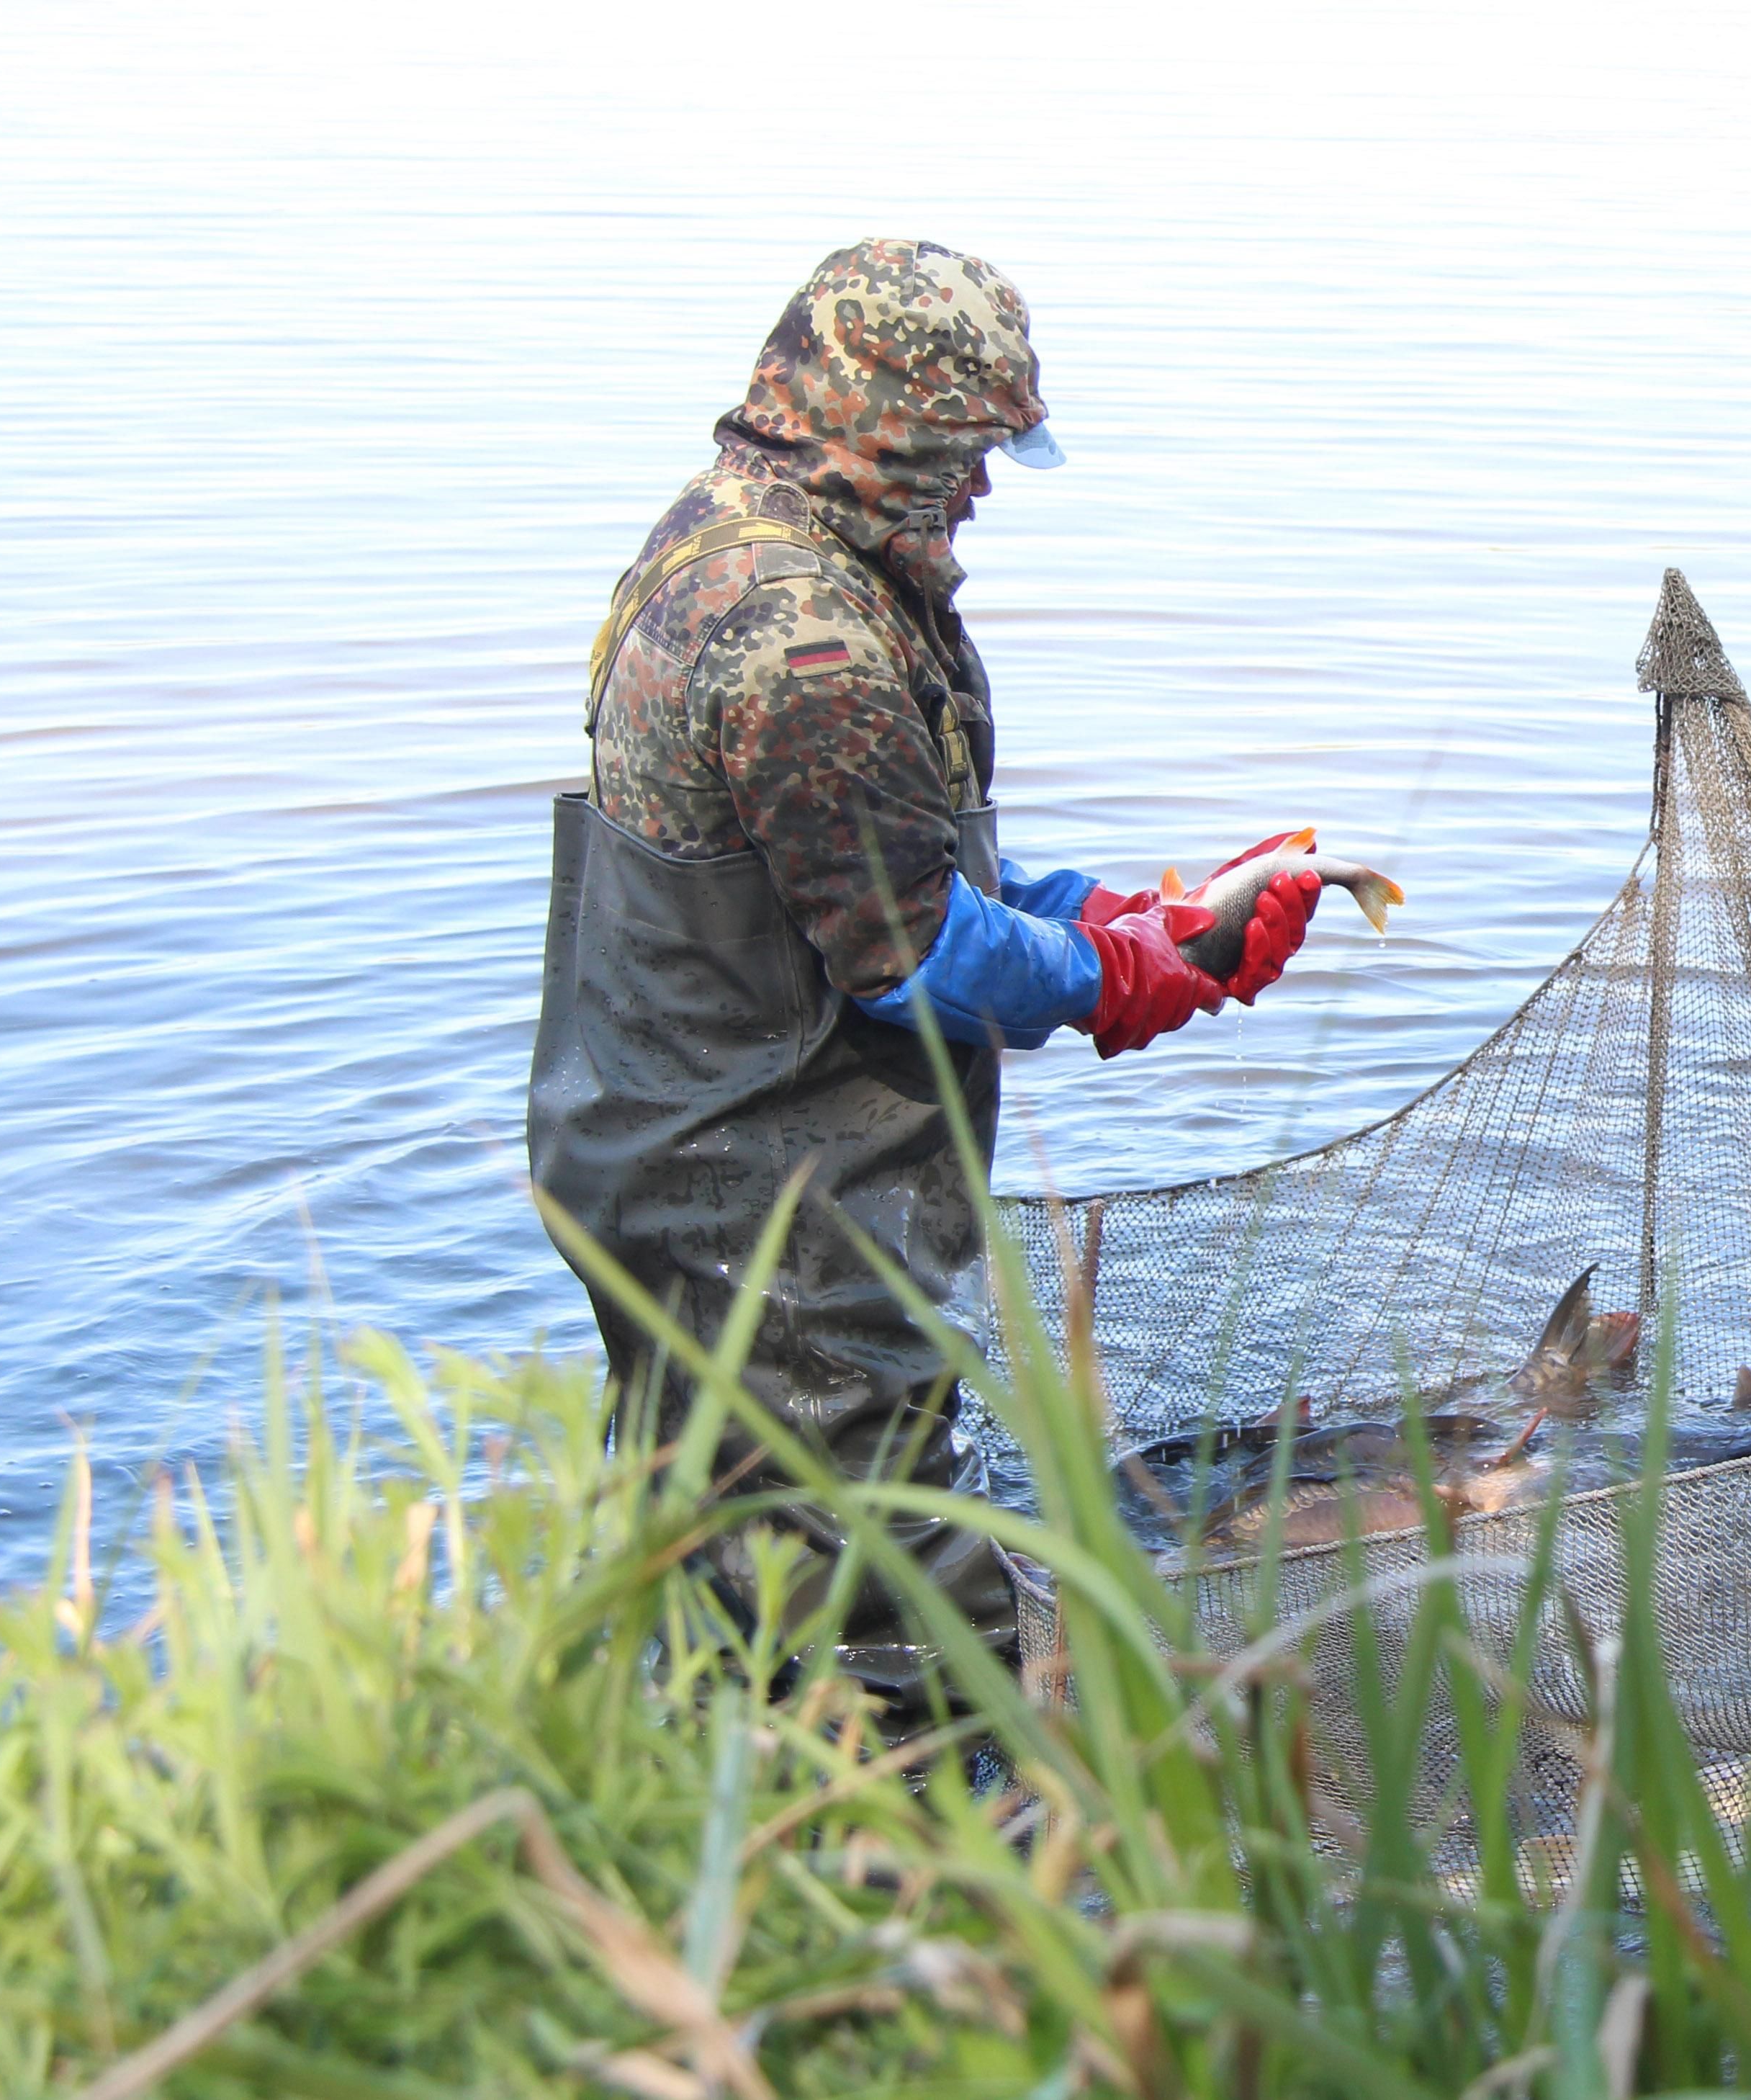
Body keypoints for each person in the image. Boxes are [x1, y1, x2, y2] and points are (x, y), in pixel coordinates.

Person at [528, 238, 1320, 1702]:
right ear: (880, 421)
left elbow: (878, 867)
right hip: (755, 1208)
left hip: (672, 1155)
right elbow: (919, 958)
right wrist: (1121, 975)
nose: (980, 487)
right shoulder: (800, 640)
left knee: (721, 1559)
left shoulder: (747, 539)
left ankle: (689, 1836)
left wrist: (1124, 915)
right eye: (965, 451)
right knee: (877, 1623)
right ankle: (872, 1879)